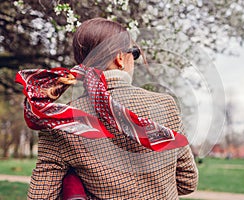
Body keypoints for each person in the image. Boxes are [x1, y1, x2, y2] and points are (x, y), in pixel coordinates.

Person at [16, 17, 198, 199]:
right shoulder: (165, 105)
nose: (134, 60)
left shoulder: (59, 121)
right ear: (120, 58)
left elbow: (40, 196)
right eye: (133, 53)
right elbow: (187, 181)